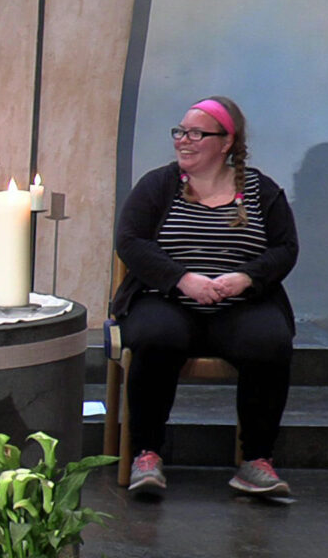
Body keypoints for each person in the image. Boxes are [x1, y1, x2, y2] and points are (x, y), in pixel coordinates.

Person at [112, 96, 300, 502]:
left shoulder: (260, 190)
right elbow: (129, 241)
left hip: (240, 304)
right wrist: (181, 279)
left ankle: (256, 461)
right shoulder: (158, 186)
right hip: (167, 299)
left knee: (270, 342)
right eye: (180, 132)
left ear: (226, 141)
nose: (184, 140)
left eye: (196, 133)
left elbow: (285, 248)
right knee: (155, 336)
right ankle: (146, 454)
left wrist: (245, 278)